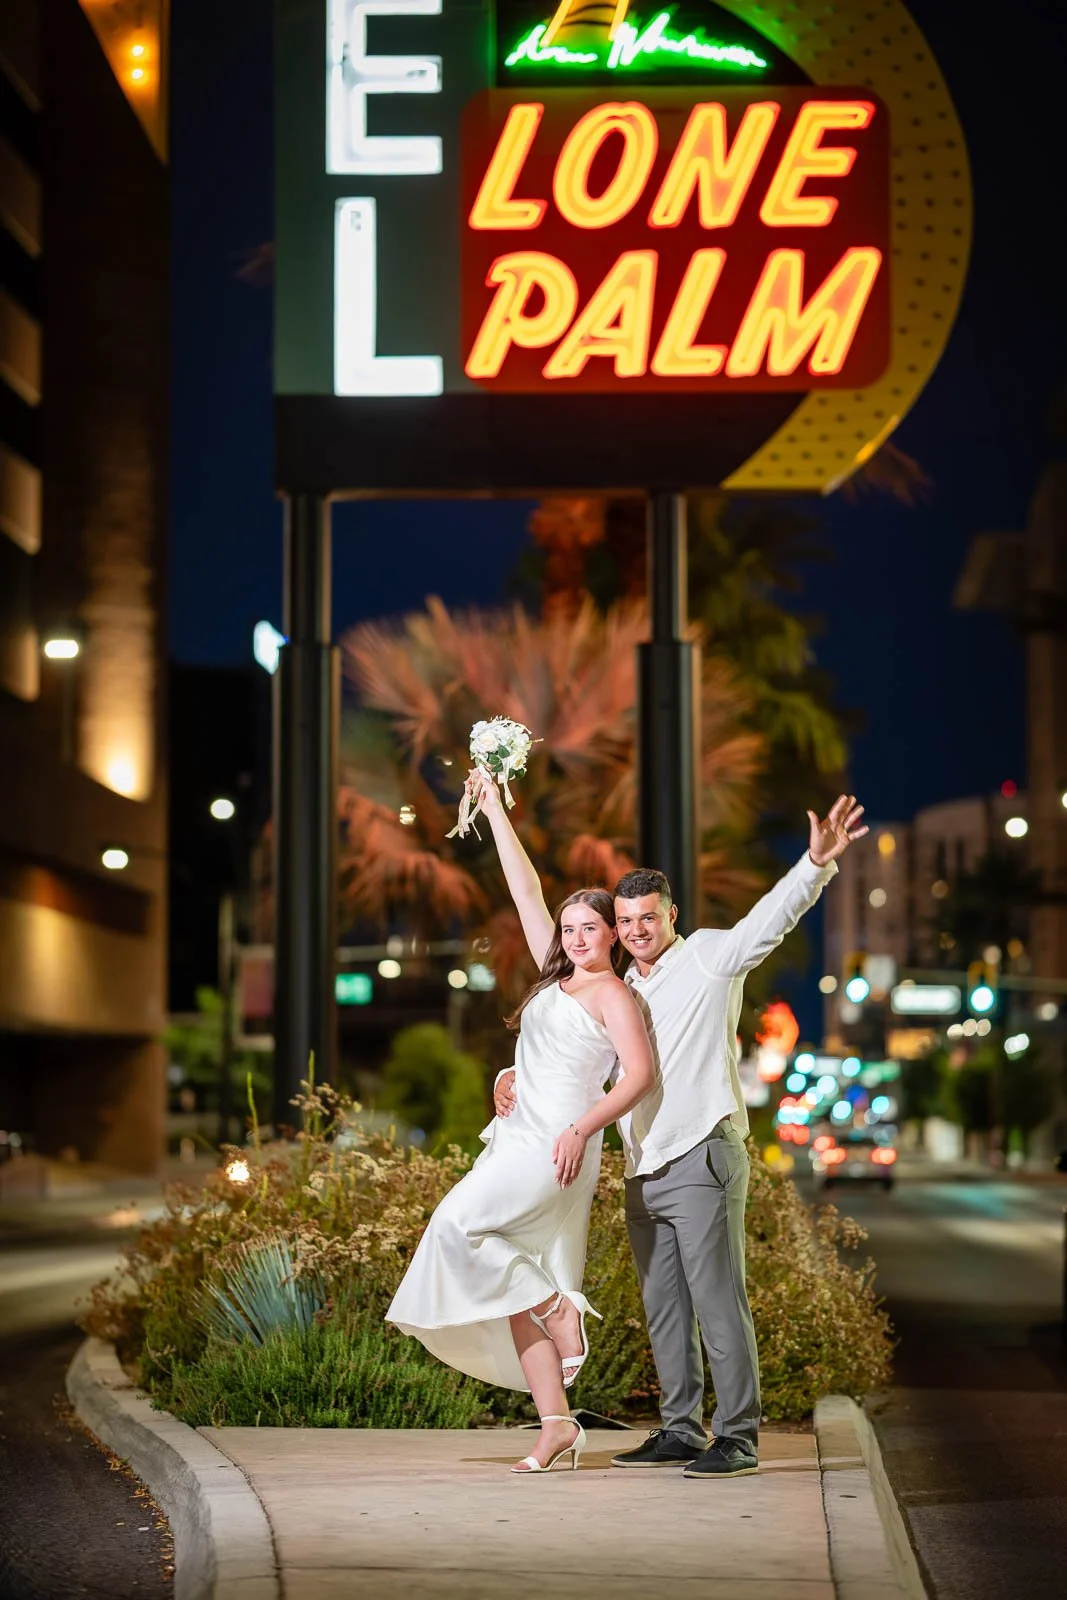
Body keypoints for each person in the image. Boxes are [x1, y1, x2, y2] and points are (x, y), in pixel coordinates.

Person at [495, 794, 867, 1480]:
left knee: (716, 1297)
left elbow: (769, 920)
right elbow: (578, 1061)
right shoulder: (615, 988)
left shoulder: (709, 959)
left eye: (648, 918)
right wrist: (512, 1079)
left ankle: (737, 1434)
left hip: (702, 1152)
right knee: (662, 1304)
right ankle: (678, 1427)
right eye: (626, 920)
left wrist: (813, 865)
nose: (637, 929)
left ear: (672, 916)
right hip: (645, 1162)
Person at [386, 769, 656, 1474]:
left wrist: (581, 1129)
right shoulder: (554, 977)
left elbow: (637, 1077)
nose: (572, 937)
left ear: (612, 936)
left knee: (457, 1227)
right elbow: (525, 889)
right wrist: (496, 808)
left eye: (588, 928)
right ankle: (555, 1423)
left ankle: (553, 1305)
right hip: (517, 1131)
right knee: (513, 1280)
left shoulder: (614, 995)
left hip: (559, 1142)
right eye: (567, 929)